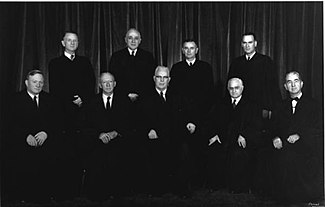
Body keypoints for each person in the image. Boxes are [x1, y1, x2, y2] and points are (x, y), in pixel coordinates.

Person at [48, 31, 96, 200]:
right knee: (67, 152)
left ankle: (83, 191)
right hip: (65, 114)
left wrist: (82, 99)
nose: (72, 43)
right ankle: (67, 191)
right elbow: (56, 88)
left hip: (83, 113)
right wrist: (71, 100)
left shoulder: (85, 62)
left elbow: (91, 84)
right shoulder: (55, 63)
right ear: (63, 43)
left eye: (75, 40)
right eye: (69, 40)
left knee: (83, 151)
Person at [108, 28, 157, 193]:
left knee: (142, 143)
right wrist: (126, 95)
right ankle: (125, 184)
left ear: (141, 40)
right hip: (122, 104)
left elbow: (152, 82)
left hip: (143, 104)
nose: (133, 41)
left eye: (136, 38)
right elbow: (112, 81)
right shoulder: (117, 57)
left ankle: (142, 183)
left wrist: (139, 95)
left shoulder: (148, 57)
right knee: (124, 142)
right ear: (125, 39)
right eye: (130, 38)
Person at [5, 70, 60, 203]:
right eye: (34, 82)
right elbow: (9, 124)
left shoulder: (50, 99)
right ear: (26, 83)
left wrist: (46, 133)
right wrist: (25, 136)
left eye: (41, 82)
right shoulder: (14, 99)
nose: (38, 85)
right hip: (22, 143)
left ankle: (45, 196)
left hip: (45, 142)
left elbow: (57, 122)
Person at [169, 39, 215, 194]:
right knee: (182, 149)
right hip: (181, 120)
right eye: (186, 48)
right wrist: (186, 121)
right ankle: (184, 183)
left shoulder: (205, 68)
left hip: (201, 119)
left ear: (197, 50)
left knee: (199, 149)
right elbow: (174, 98)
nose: (189, 51)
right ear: (182, 50)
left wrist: (195, 121)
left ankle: (199, 183)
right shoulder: (176, 68)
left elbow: (209, 97)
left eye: (192, 48)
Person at [270, 71, 323, 204]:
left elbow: (318, 128)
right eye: (289, 82)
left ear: (301, 83)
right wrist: (275, 137)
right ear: (285, 86)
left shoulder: (314, 105)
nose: (293, 85)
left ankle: (301, 196)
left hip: (306, 146)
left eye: (296, 81)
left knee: (293, 158)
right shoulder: (279, 106)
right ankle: (284, 197)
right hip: (283, 145)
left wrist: (300, 135)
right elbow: (272, 128)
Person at [206, 77, 264, 194]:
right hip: (224, 139)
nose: (234, 91)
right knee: (214, 149)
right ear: (227, 89)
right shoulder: (221, 104)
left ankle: (238, 186)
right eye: (231, 88)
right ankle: (217, 184)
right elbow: (211, 122)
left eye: (236, 88)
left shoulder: (252, 105)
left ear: (242, 88)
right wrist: (215, 135)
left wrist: (244, 135)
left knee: (239, 153)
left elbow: (256, 125)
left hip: (243, 140)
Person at [139, 66, 186, 196]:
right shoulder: (145, 97)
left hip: (172, 135)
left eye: (165, 78)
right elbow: (139, 119)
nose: (162, 80)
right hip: (153, 136)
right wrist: (149, 130)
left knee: (182, 148)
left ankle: (178, 187)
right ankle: (157, 187)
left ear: (169, 80)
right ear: (154, 78)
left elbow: (180, 119)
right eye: (159, 77)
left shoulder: (176, 96)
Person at [84, 72, 132, 201]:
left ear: (115, 84)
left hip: (119, 141)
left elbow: (130, 123)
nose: (108, 84)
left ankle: (118, 193)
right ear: (100, 85)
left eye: (110, 82)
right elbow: (84, 126)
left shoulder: (124, 101)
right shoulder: (91, 102)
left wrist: (116, 132)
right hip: (97, 142)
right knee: (97, 158)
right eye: (105, 82)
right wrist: (99, 135)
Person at [228, 32, 281, 125]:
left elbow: (272, 88)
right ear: (241, 45)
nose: (247, 46)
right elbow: (230, 87)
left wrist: (269, 108)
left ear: (255, 44)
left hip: (259, 109)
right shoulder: (236, 63)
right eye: (245, 43)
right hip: (241, 109)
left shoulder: (265, 62)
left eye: (250, 42)